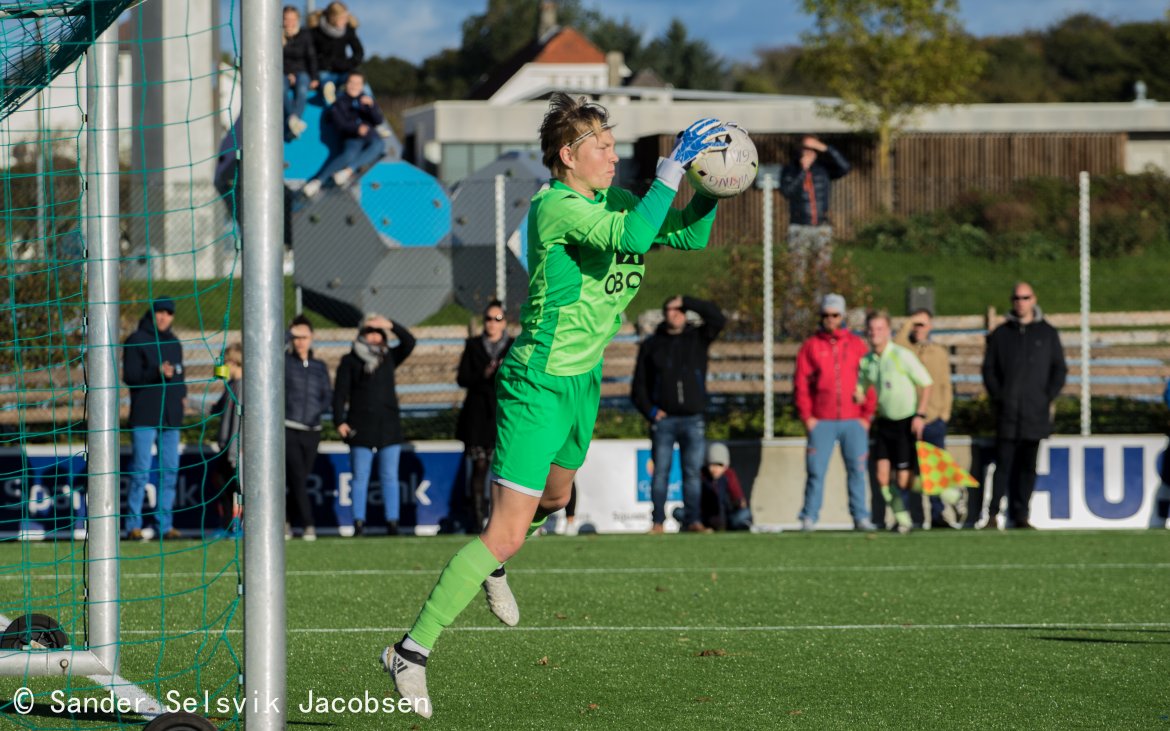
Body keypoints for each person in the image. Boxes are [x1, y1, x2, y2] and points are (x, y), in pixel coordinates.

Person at [382, 93, 728, 718]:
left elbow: (686, 235)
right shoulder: (556, 205)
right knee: (506, 531)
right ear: (568, 156)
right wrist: (671, 169)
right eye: (600, 145)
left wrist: (710, 186)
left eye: (612, 143)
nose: (611, 155)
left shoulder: (615, 200)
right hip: (538, 379)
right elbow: (636, 232)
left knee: (558, 498)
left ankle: (496, 563)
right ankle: (411, 650)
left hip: (581, 378)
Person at [631, 294, 726, 534]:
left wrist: (687, 300)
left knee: (692, 473)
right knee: (660, 472)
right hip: (664, 421)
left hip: (693, 418)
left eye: (680, 310)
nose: (676, 314)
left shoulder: (698, 338)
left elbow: (717, 318)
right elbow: (639, 386)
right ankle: (658, 522)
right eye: (671, 310)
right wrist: (651, 411)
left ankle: (693, 520)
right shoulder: (652, 344)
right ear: (664, 314)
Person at [981, 282, 1067, 530]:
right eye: (1016, 298)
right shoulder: (1001, 334)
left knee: (1028, 467)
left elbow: (1059, 369)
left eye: (1025, 297)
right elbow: (989, 369)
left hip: (1034, 413)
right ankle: (992, 514)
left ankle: (1021, 514)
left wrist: (1045, 396)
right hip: (1008, 413)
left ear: (1033, 299)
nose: (1020, 302)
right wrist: (1000, 396)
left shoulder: (1047, 333)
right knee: (1003, 465)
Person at [794, 293, 876, 532]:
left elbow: (869, 379)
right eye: (826, 315)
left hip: (854, 420)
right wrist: (808, 417)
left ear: (842, 316)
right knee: (816, 471)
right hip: (822, 420)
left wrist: (866, 415)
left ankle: (861, 516)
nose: (830, 319)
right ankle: (809, 517)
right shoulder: (811, 346)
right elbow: (801, 384)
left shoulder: (857, 345)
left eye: (835, 315)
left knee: (857, 471)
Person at [334, 313, 415, 536]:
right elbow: (340, 393)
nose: (373, 336)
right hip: (360, 426)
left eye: (377, 332)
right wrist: (339, 420)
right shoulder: (350, 361)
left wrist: (389, 323)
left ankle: (393, 522)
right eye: (369, 331)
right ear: (361, 334)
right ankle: (358, 523)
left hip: (388, 426)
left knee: (390, 476)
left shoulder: (389, 357)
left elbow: (410, 341)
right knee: (360, 477)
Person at [856, 311, 933, 534]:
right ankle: (903, 519)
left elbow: (926, 383)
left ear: (888, 332)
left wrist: (920, 414)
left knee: (903, 480)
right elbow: (862, 384)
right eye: (871, 329)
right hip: (885, 423)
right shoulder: (868, 361)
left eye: (879, 329)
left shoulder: (901, 355)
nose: (875, 333)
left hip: (905, 423)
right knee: (881, 477)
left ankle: (949, 494)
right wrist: (859, 394)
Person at [123, 297, 187, 541]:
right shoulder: (136, 340)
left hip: (171, 418)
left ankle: (164, 524)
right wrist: (156, 372)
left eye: (168, 313)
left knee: (169, 472)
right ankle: (133, 526)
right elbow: (130, 376)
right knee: (140, 471)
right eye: (160, 312)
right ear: (153, 313)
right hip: (145, 416)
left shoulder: (174, 342)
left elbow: (180, 378)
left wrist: (181, 398)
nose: (164, 317)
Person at [455, 300, 513, 533]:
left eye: (497, 319)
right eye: (489, 318)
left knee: (505, 471)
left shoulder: (513, 345)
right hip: (478, 416)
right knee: (480, 466)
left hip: (504, 414)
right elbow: (462, 378)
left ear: (505, 322)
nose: (492, 323)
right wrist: (484, 373)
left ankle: (501, 521)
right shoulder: (473, 345)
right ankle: (478, 521)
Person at [895, 308, 955, 528]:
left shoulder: (938, 352)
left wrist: (944, 413)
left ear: (930, 327)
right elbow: (898, 342)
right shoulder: (904, 350)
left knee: (936, 472)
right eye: (915, 324)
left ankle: (938, 514)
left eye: (922, 324)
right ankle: (904, 516)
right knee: (905, 470)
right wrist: (908, 322)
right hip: (907, 420)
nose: (918, 328)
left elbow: (945, 385)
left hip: (932, 420)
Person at [779, 135, 851, 311]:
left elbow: (845, 167)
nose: (809, 154)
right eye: (806, 150)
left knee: (822, 275)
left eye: (813, 150)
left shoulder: (823, 170)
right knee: (797, 274)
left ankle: (821, 313)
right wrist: (803, 170)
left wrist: (824, 147)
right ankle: (796, 315)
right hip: (799, 227)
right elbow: (787, 191)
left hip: (821, 227)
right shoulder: (790, 170)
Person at [285, 315, 333, 541]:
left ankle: (285, 520)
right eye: (295, 337)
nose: (300, 341)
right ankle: (308, 524)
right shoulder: (284, 362)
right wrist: (287, 334)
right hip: (289, 427)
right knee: (296, 475)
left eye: (304, 337)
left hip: (312, 430)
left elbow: (327, 395)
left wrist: (317, 412)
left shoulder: (319, 366)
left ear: (312, 338)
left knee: (300, 479)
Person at [300, 71, 386, 198]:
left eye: (358, 83)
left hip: (369, 137)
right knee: (349, 154)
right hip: (352, 137)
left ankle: (348, 171)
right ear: (346, 84)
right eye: (352, 82)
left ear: (362, 86)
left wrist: (371, 106)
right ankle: (318, 181)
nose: (354, 86)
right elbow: (340, 124)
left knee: (379, 144)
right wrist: (356, 128)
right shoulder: (340, 101)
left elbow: (378, 120)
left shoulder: (367, 100)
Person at [209, 343, 244, 536]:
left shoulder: (242, 387)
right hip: (226, 447)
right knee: (223, 484)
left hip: (236, 449)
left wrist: (236, 450)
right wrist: (189, 403)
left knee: (238, 487)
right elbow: (217, 408)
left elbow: (240, 422)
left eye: (226, 362)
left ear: (234, 362)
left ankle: (239, 526)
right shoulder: (230, 386)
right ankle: (227, 526)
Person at [309, 1, 364, 104]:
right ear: (333, 18)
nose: (345, 20)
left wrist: (347, 64)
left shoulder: (348, 30)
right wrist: (315, 74)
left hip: (342, 70)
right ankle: (331, 98)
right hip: (324, 70)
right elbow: (311, 56)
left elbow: (359, 52)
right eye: (342, 18)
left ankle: (341, 103)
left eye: (346, 17)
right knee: (326, 82)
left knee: (353, 83)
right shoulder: (316, 32)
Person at [282, 5, 319, 141]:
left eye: (292, 19)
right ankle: (294, 121)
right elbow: (275, 58)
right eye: (286, 19)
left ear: (297, 20)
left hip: (302, 71)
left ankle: (293, 118)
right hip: (283, 72)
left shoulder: (304, 35)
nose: (289, 23)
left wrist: (314, 77)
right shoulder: (276, 36)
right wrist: (288, 72)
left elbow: (311, 57)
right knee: (280, 88)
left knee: (303, 88)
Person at [700, 442, 751, 531]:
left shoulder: (729, 475)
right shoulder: (702, 475)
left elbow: (739, 499)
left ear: (725, 466)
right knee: (679, 512)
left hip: (727, 516)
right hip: (705, 515)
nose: (715, 469)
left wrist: (737, 502)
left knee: (745, 514)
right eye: (712, 465)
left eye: (719, 465)